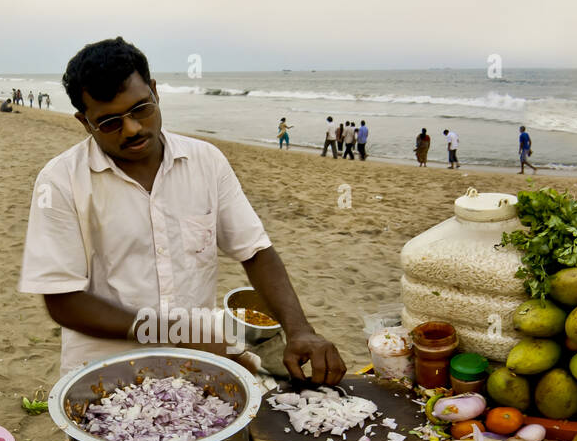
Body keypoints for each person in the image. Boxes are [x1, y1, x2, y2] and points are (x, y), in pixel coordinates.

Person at [20, 37, 345, 400]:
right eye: (110, 122)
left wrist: (299, 329)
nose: (132, 129)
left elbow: (255, 251)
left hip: (198, 368)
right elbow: (63, 300)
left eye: (141, 109)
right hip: (104, 378)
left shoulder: (207, 161)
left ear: (155, 92)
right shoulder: (61, 180)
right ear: (84, 122)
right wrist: (172, 331)